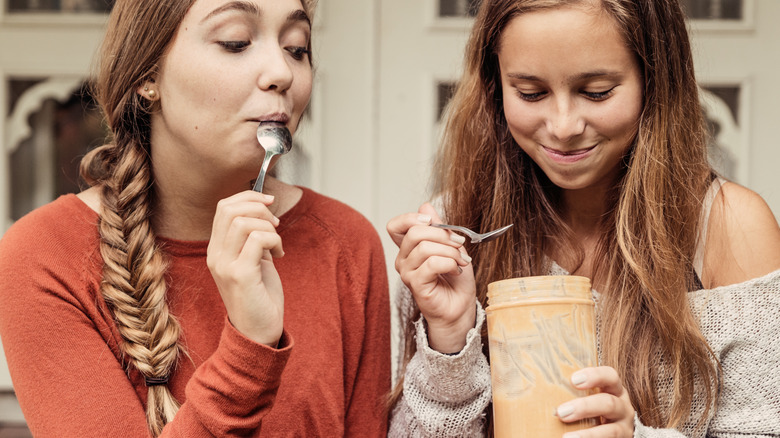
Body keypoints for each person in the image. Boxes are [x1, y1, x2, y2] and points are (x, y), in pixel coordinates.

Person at [386, 0, 780, 436]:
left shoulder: (729, 226)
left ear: (656, 80)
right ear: (495, 87)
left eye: (596, 92)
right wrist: (449, 339)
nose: (563, 125)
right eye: (531, 93)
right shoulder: (454, 230)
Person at [0, 0, 391, 436]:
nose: (281, 71)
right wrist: (249, 350)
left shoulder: (346, 243)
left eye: (296, 48)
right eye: (236, 43)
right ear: (148, 75)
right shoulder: (42, 255)